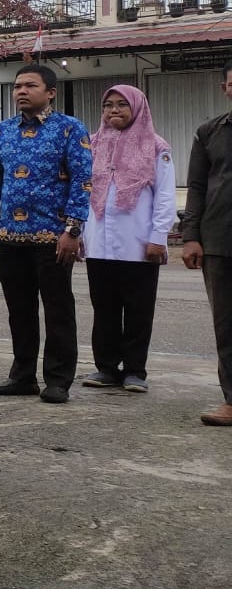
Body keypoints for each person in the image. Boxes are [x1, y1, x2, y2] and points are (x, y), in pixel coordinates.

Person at [0, 63, 93, 404]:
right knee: (19, 310)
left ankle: (58, 380)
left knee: (58, 309)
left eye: (30, 85)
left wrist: (72, 229)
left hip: (53, 237)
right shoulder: (4, 131)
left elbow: (83, 182)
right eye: (17, 87)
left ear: (51, 92)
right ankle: (22, 375)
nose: (21, 92)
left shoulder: (70, 129)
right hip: (10, 237)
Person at [80, 85, 174, 394]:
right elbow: (82, 193)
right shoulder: (91, 145)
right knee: (104, 308)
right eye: (108, 105)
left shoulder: (155, 146)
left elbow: (164, 197)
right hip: (99, 243)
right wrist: (80, 232)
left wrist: (158, 237)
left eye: (122, 105)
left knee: (138, 309)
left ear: (137, 108)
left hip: (138, 244)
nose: (114, 110)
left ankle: (135, 370)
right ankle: (106, 367)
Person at [178, 61, 232, 427]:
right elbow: (196, 188)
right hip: (220, 240)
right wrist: (191, 236)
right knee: (227, 325)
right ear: (225, 87)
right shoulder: (209, 132)